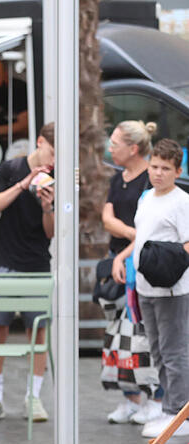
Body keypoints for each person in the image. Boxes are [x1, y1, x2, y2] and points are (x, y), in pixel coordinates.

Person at [0, 122, 56, 423]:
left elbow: (49, 233)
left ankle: (33, 397)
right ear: (39, 142)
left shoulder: (56, 177)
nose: (54, 160)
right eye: (52, 151)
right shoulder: (12, 168)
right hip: (5, 262)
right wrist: (24, 184)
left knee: (37, 332)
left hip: (37, 264)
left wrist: (48, 208)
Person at [111, 138, 189, 438]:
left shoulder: (181, 202)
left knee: (174, 351)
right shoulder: (146, 198)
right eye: (154, 166)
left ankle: (178, 414)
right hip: (145, 286)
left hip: (172, 288)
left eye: (165, 168)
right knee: (156, 350)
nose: (158, 173)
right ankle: (169, 407)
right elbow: (141, 237)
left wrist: (167, 261)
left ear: (177, 170)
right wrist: (123, 256)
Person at [102, 120, 162, 425]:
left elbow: (149, 228)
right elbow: (107, 217)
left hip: (137, 263)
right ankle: (129, 396)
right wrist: (129, 233)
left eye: (114, 143)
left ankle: (154, 397)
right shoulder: (118, 178)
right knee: (117, 334)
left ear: (133, 148)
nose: (110, 149)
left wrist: (128, 245)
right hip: (119, 258)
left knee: (140, 333)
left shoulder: (150, 180)